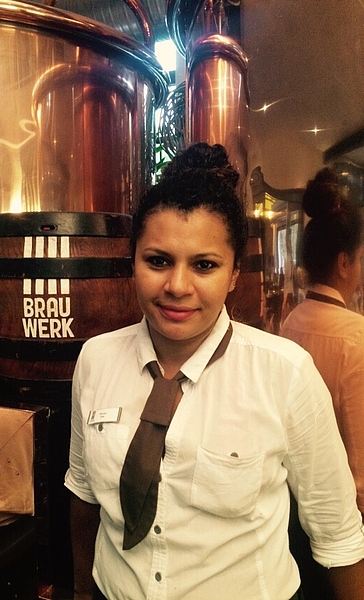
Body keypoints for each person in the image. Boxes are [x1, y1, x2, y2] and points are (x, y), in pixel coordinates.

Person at [64, 143, 364, 600]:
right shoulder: (95, 360)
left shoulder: (286, 374)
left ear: (234, 274)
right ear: (133, 262)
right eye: (158, 260)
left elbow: (338, 536)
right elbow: (84, 494)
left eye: (204, 265)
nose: (177, 286)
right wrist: (82, 593)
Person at [280, 167, 364, 516]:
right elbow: (359, 455)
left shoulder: (291, 321)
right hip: (343, 510)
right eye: (360, 259)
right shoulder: (355, 336)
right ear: (344, 263)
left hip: (297, 496)